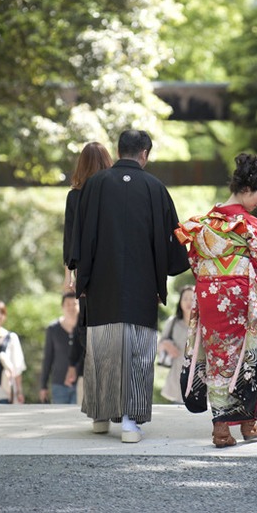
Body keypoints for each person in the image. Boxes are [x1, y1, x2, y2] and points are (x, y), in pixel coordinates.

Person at [68, 129, 190, 443]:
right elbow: (173, 239)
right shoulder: (155, 187)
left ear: (119, 150)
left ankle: (99, 416)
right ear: (144, 154)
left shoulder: (95, 185)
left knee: (102, 349)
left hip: (101, 284)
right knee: (137, 351)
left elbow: (79, 235)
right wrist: (179, 262)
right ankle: (129, 422)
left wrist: (80, 277)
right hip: (141, 284)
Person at [174, 153, 257, 448]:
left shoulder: (206, 222)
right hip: (241, 294)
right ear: (246, 190)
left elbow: (194, 262)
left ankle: (224, 427)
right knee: (247, 353)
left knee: (217, 356)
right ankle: (245, 423)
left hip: (209, 293)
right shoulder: (252, 225)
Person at [61, 142, 113, 404]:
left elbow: (70, 237)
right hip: (112, 274)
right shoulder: (113, 194)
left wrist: (69, 276)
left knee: (90, 334)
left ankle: (96, 404)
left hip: (87, 278)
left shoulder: (75, 196)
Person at [38, 292, 81, 404]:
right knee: (61, 420)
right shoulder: (53, 329)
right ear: (62, 307)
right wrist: (43, 386)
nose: (71, 307)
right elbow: (48, 358)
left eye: (75, 304)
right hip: (59, 385)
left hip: (82, 384)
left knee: (79, 419)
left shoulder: (85, 328)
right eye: (68, 304)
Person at [157, 285, 195, 404]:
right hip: (176, 377)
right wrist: (167, 345)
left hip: (199, 378)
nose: (189, 302)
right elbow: (159, 345)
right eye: (185, 298)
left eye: (192, 298)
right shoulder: (173, 322)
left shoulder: (203, 324)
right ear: (180, 302)